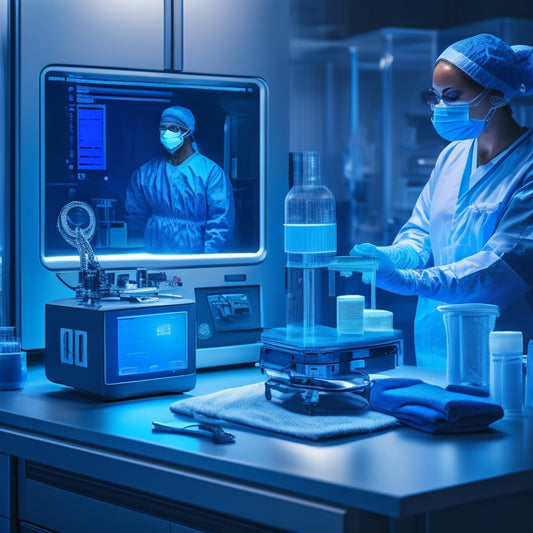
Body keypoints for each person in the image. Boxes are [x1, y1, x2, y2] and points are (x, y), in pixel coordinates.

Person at [351, 33, 533, 370]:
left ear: (496, 95)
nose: (440, 109)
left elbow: (501, 268)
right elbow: (420, 231)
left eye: (452, 96)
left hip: (500, 348)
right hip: (434, 341)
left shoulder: (527, 164)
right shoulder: (452, 155)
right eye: (435, 97)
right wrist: (392, 257)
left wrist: (411, 281)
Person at [124, 105, 235, 253]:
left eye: (174, 128)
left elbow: (221, 222)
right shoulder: (145, 173)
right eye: (163, 128)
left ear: (188, 131)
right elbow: (134, 218)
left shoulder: (211, 173)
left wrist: (208, 260)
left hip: (194, 256)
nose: (166, 133)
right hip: (155, 252)